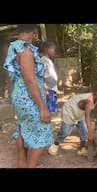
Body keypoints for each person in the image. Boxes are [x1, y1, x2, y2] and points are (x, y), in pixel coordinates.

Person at [3, 24, 53, 168]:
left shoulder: (13, 46)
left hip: (20, 95)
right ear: (35, 32)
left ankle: (22, 163)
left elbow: (26, 77)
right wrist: (43, 107)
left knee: (23, 127)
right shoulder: (25, 50)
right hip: (28, 98)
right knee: (43, 131)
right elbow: (30, 80)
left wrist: (43, 90)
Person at [48, 83, 97, 156]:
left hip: (79, 113)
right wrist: (90, 132)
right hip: (69, 111)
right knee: (65, 132)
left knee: (84, 132)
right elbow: (87, 116)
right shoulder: (89, 100)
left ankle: (82, 149)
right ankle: (55, 144)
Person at [40, 41, 58, 113]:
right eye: (53, 49)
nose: (54, 51)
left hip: (53, 89)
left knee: (54, 111)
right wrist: (46, 90)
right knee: (49, 111)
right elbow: (41, 76)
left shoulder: (49, 60)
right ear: (47, 49)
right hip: (48, 89)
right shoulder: (43, 60)